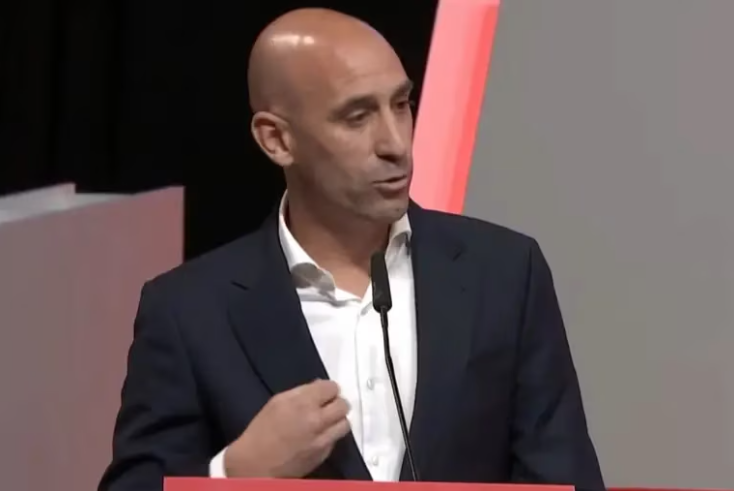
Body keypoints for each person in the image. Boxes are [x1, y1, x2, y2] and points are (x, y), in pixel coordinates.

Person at [98, 7, 605, 491]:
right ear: (277, 140)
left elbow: (564, 478)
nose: (396, 143)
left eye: (401, 105)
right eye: (357, 116)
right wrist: (237, 472)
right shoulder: (189, 311)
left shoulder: (505, 274)